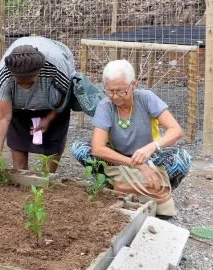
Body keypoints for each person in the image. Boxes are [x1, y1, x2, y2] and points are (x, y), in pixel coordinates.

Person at [71, 60, 190, 217]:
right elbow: (98, 148)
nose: (114, 96)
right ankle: (152, 189)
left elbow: (176, 130)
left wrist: (152, 147)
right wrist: (137, 165)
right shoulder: (105, 106)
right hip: (118, 158)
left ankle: (125, 187)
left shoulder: (146, 98)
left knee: (183, 159)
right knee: (79, 149)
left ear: (133, 84)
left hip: (150, 158)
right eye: (110, 91)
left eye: (121, 91)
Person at [0, 37, 75, 173]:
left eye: (29, 83)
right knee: (18, 152)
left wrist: (48, 119)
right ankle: (22, 181)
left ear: (40, 73)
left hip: (52, 105)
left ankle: (47, 181)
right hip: (18, 108)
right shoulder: (5, 74)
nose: (24, 87)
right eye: (19, 83)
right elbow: (1, 117)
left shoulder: (57, 67)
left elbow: (66, 97)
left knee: (52, 149)